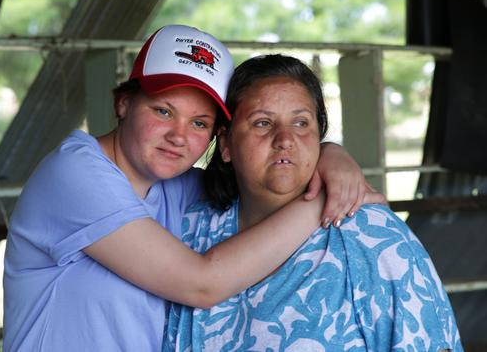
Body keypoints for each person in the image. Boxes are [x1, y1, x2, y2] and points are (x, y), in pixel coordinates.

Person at [3, 25, 382, 351]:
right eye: (163, 111)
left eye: (199, 123)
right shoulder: (74, 173)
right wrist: (320, 201)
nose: (178, 137)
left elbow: (265, 174)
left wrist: (330, 153)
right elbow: (202, 284)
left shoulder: (172, 185)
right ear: (123, 103)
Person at [163, 54, 463, 351]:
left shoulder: (374, 238)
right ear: (226, 144)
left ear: (319, 135)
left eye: (300, 122)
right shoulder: (188, 227)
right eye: (262, 123)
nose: (285, 139)